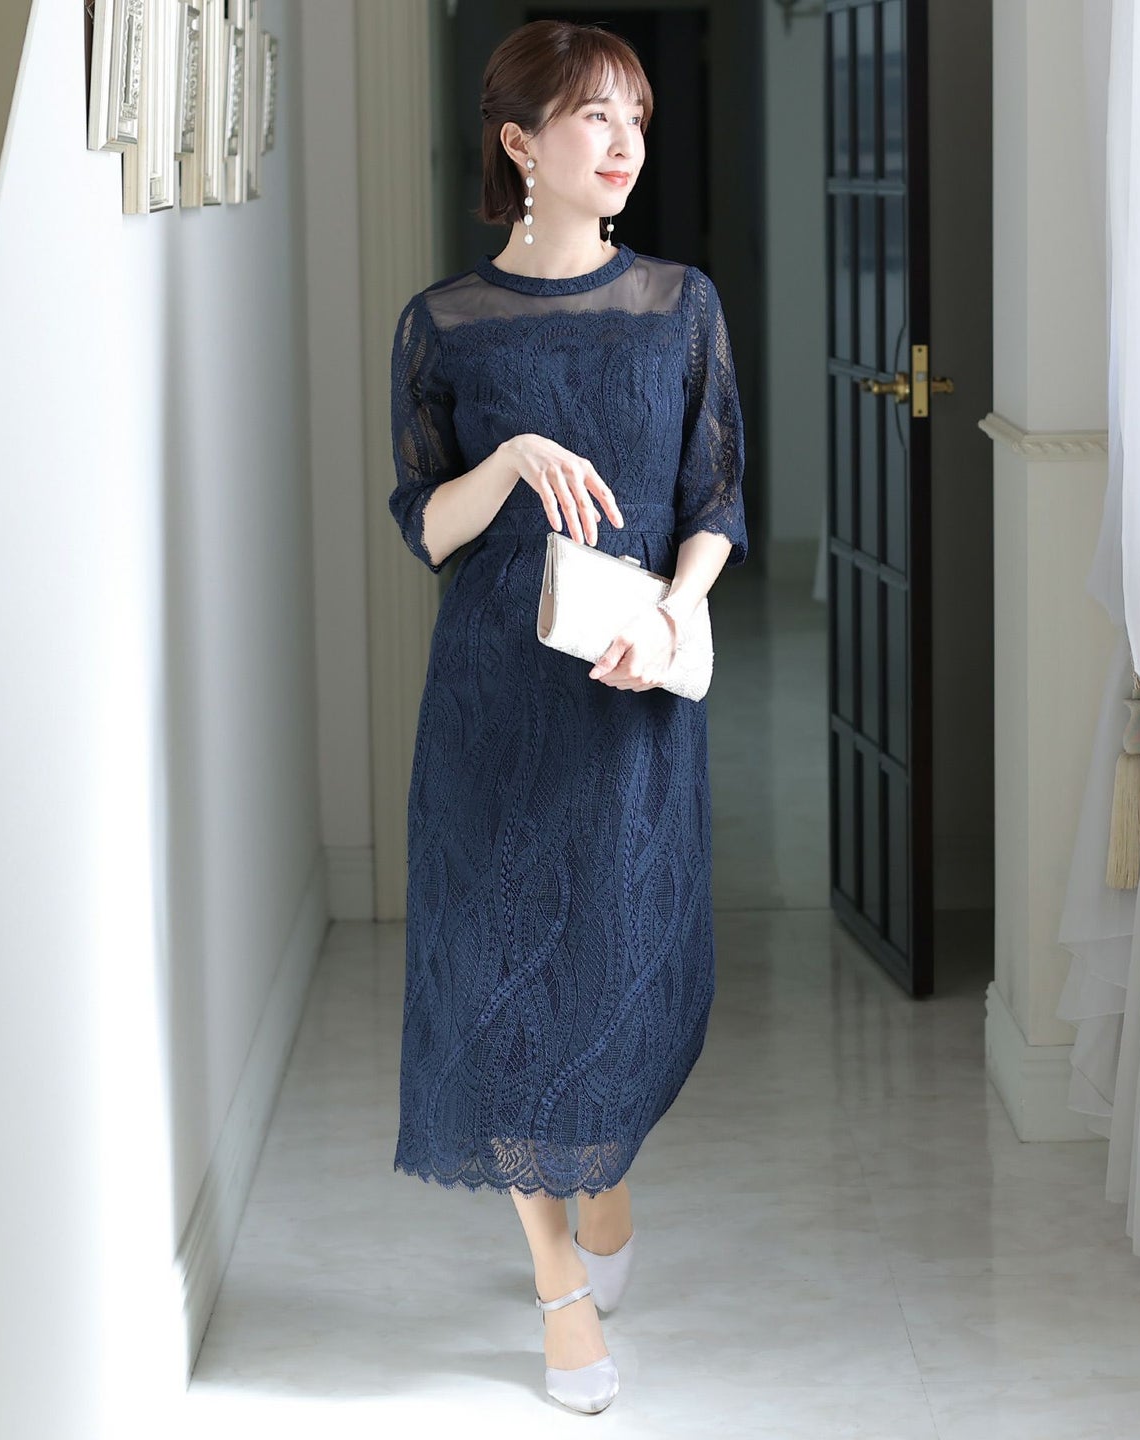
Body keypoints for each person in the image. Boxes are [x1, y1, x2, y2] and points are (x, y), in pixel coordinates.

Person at [387, 18, 748, 1416]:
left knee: (617, 973)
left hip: (631, 697)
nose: (624, 144)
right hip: (492, 704)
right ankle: (560, 1298)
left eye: (636, 121)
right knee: (501, 988)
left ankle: (602, 1182)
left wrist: (674, 613)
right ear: (520, 143)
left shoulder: (678, 306)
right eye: (595, 117)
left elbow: (714, 504)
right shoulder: (445, 325)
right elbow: (426, 524)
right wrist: (511, 463)